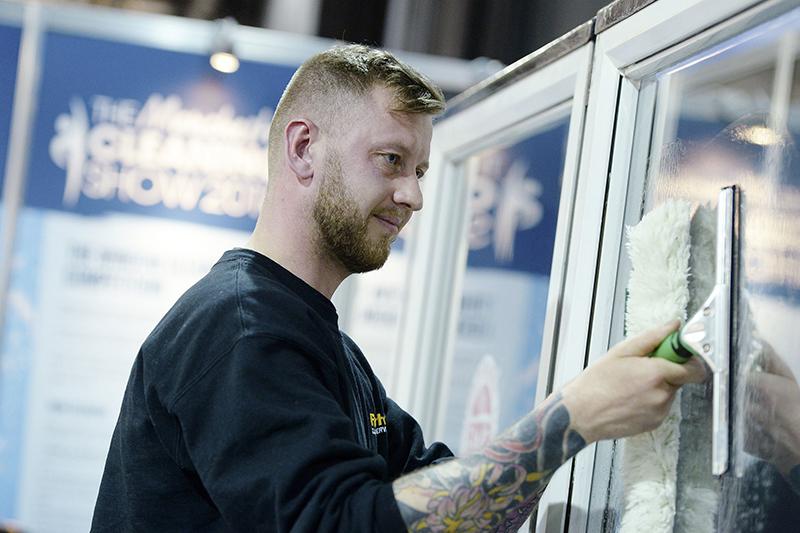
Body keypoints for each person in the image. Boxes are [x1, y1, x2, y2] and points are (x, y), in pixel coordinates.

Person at [91, 44, 706, 532]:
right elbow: (347, 524)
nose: (414, 195)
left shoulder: (325, 344)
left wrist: (578, 416)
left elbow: (447, 503)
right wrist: (566, 421)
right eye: (390, 159)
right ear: (304, 148)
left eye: (419, 170)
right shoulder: (240, 328)